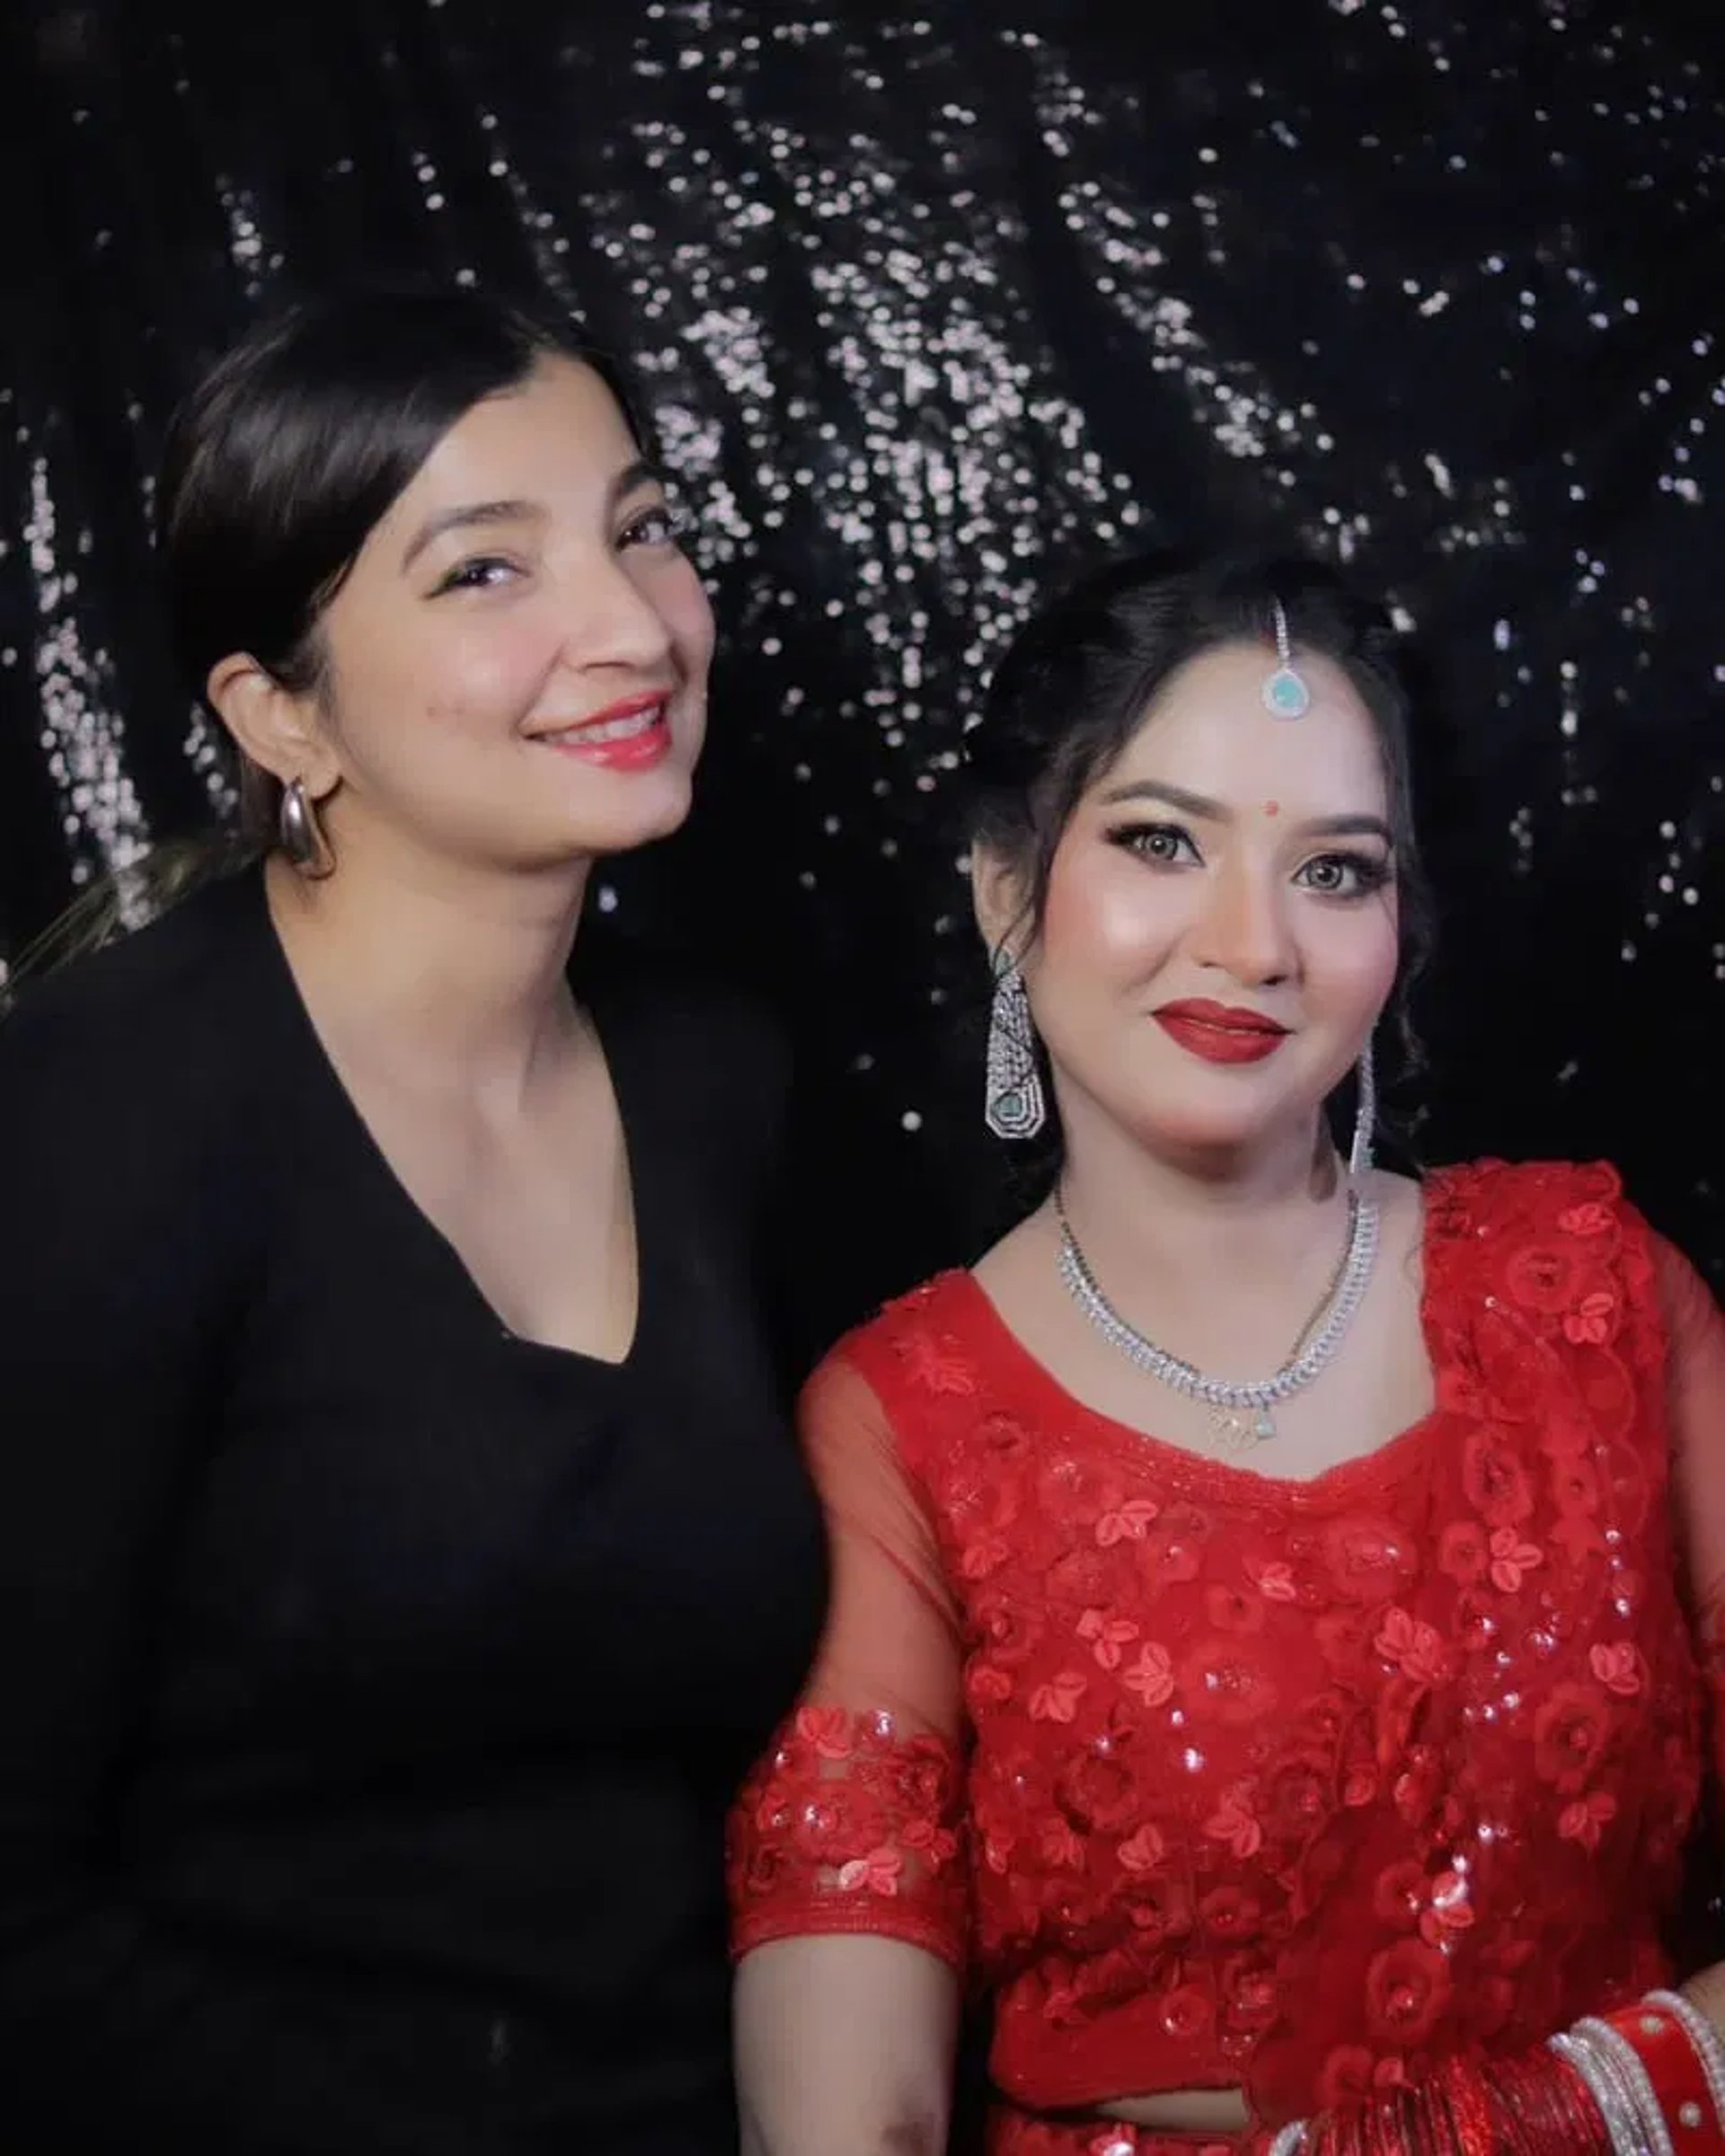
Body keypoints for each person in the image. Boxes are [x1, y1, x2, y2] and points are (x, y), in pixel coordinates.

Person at [727, 550, 1725, 2156]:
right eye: (1160, 841)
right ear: (1004, 887)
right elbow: (847, 2109)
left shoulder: (1596, 1299)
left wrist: (1542, 2118)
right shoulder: (904, 1424)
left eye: (1335, 870)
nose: (1254, 943)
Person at [0, 287, 827, 2156]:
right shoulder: (95, 1129)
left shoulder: (721, 1084)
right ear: (282, 714)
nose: (634, 627)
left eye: (641, 528)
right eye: (485, 572)